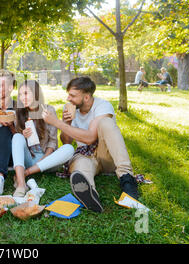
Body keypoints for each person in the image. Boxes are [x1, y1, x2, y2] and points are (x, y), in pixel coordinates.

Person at [42, 76, 139, 213]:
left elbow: (90, 138)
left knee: (106, 123)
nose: (68, 99)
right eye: (68, 94)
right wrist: (65, 124)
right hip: (85, 155)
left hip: (105, 154)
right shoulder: (69, 108)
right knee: (81, 168)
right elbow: (67, 143)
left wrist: (56, 123)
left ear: (86, 97)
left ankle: (127, 178)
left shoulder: (102, 106)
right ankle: (90, 194)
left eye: (72, 95)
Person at [12, 80, 74, 197]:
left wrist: (44, 159)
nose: (22, 98)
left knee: (69, 148)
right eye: (20, 94)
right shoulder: (19, 113)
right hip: (29, 158)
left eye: (26, 93)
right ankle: (21, 184)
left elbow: (53, 141)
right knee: (17, 137)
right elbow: (19, 145)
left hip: (47, 160)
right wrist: (22, 134)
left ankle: (25, 173)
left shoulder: (48, 110)